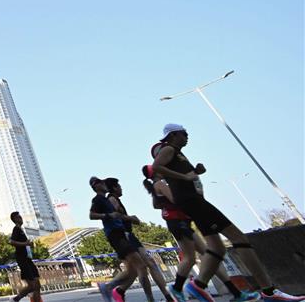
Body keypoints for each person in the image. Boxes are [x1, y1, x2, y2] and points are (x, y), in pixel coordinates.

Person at [152, 124, 304, 302]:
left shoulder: (177, 152)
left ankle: (198, 285)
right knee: (239, 238)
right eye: (184, 133)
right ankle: (269, 291)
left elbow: (181, 176)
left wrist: (195, 172)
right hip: (192, 202)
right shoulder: (169, 149)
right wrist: (186, 177)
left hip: (193, 201)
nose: (187, 136)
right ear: (173, 135)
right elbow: (157, 167)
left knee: (217, 247)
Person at [142, 165, 254, 302]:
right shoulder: (160, 183)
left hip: (181, 221)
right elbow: (176, 199)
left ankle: (235, 292)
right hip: (178, 222)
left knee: (212, 256)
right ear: (157, 172)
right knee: (191, 258)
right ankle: (177, 288)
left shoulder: (155, 186)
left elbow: (156, 205)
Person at [104, 178, 174, 302]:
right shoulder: (112, 199)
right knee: (143, 266)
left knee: (141, 267)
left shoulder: (115, 199)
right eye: (119, 186)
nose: (121, 188)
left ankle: (119, 291)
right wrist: (131, 218)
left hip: (129, 235)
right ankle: (154, 297)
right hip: (124, 236)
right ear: (114, 188)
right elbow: (115, 217)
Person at [89, 176, 147, 302]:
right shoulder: (98, 199)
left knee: (133, 270)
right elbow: (91, 215)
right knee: (141, 265)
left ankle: (110, 288)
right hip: (115, 235)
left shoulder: (106, 200)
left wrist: (130, 218)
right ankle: (109, 288)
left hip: (120, 234)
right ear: (96, 186)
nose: (104, 185)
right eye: (101, 183)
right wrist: (108, 215)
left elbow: (117, 216)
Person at [9, 212, 40, 302]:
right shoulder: (16, 229)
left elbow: (24, 244)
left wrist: (29, 244)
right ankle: (15, 299)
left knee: (37, 285)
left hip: (28, 259)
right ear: (15, 219)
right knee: (32, 286)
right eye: (19, 217)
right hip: (22, 259)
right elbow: (11, 241)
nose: (21, 218)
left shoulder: (21, 230)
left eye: (21, 216)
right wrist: (25, 243)